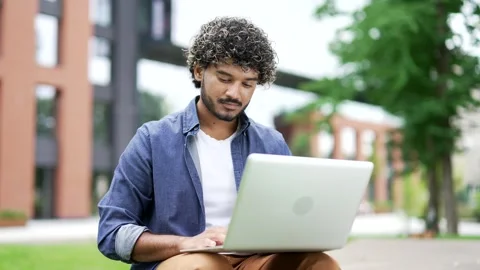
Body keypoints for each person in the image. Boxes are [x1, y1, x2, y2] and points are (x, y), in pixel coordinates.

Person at [97, 16, 340, 270]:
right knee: (206, 266)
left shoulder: (272, 143)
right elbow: (112, 233)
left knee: (319, 263)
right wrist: (185, 243)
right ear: (199, 71)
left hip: (254, 261)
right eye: (225, 79)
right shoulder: (152, 140)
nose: (235, 93)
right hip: (185, 261)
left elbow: (291, 218)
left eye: (247, 84)